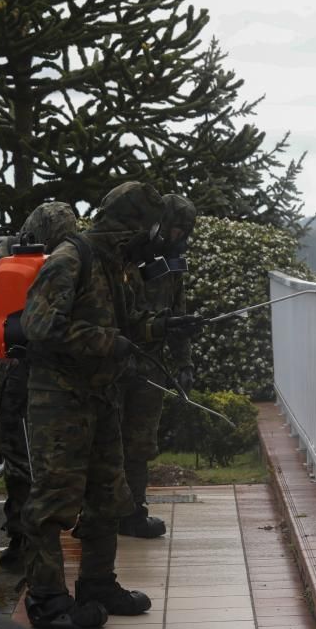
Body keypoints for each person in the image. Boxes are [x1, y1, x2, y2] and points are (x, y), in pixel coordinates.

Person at [19, 181, 199, 629]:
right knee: (53, 503)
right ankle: (47, 599)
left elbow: (131, 321)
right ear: (130, 225)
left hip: (102, 397)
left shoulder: (116, 265)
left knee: (107, 496)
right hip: (60, 400)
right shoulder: (70, 259)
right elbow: (38, 327)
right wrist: (104, 342)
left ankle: (98, 584)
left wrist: (166, 326)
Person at [0, 202, 78, 573]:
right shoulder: (0, 262)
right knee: (20, 460)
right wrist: (6, 357)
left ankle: (41, 533)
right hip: (15, 377)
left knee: (49, 457)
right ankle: (19, 540)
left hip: (49, 375)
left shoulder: (50, 258)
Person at [119, 194, 197, 538]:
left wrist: (184, 361)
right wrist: (157, 326)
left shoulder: (171, 266)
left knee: (139, 444)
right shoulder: (125, 259)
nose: (182, 238)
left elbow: (177, 314)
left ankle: (133, 511)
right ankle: (106, 511)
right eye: (178, 229)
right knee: (110, 443)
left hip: (149, 368)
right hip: (116, 364)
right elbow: (118, 320)